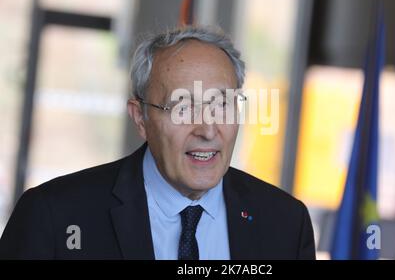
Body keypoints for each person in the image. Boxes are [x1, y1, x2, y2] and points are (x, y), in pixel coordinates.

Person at [0, 26, 315, 259]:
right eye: (183, 107)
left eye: (221, 104)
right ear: (140, 118)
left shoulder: (285, 224)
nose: (207, 129)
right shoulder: (55, 216)